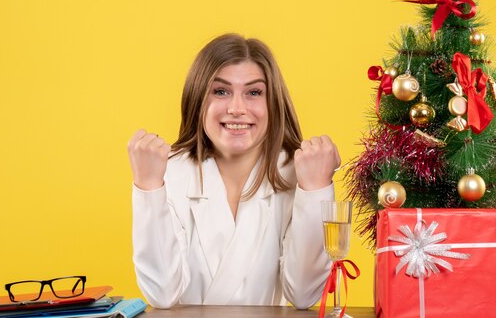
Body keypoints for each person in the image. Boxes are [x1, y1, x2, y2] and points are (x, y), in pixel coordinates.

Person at [128, 33, 340, 309]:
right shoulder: (172, 171)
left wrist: (316, 191)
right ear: (197, 99)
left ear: (272, 102)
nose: (237, 109)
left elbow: (304, 295)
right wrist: (147, 187)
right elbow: (161, 294)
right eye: (220, 91)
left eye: (253, 92)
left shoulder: (296, 173)